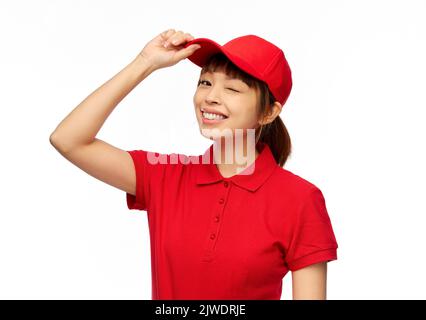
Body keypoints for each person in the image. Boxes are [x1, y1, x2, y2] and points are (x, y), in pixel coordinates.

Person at [50, 29, 339, 300]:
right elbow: (68, 139)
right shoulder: (164, 175)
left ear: (268, 112)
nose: (210, 98)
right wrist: (145, 63)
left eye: (233, 89)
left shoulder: (300, 200)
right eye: (205, 82)